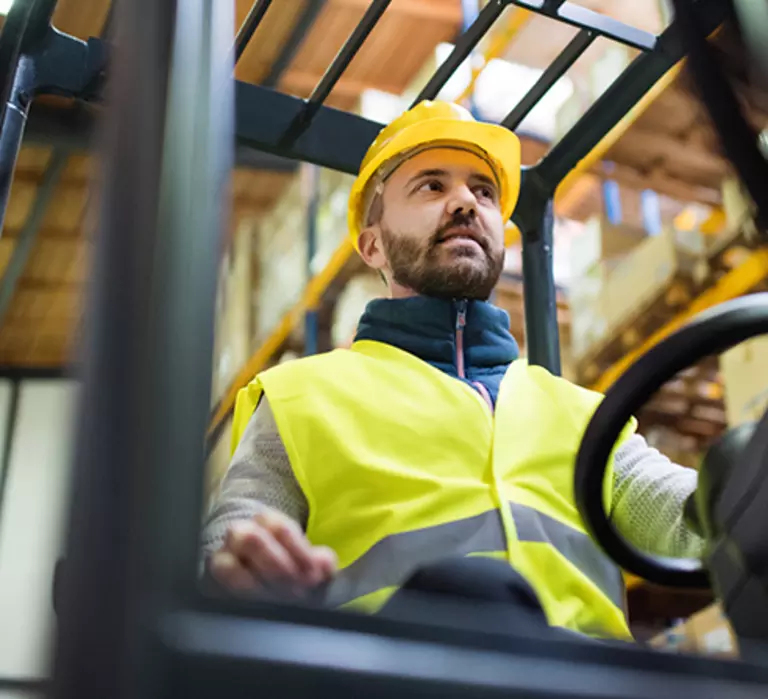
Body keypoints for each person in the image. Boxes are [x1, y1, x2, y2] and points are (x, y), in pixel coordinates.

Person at [201, 101, 703, 641]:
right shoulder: (300, 398)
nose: (465, 202)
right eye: (431, 186)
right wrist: (248, 573)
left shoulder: (584, 415)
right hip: (396, 671)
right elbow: (229, 549)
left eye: (483, 192)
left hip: (579, 676)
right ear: (373, 245)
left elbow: (689, 516)